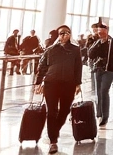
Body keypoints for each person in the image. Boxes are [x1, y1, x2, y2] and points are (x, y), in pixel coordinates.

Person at [34, 25, 83, 155]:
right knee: (52, 111)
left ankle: (53, 131)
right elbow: (42, 66)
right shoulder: (50, 50)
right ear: (58, 35)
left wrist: (78, 83)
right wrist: (38, 82)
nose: (64, 35)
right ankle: (53, 141)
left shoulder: (75, 50)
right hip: (51, 83)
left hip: (69, 84)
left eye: (67, 33)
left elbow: (78, 67)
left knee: (65, 110)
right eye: (61, 33)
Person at [87, 22, 113, 127]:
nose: (100, 33)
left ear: (107, 31)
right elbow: (90, 54)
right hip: (98, 69)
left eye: (102, 31)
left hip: (109, 69)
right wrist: (98, 43)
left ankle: (105, 116)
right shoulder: (97, 42)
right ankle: (99, 113)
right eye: (99, 32)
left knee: (104, 90)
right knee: (98, 92)